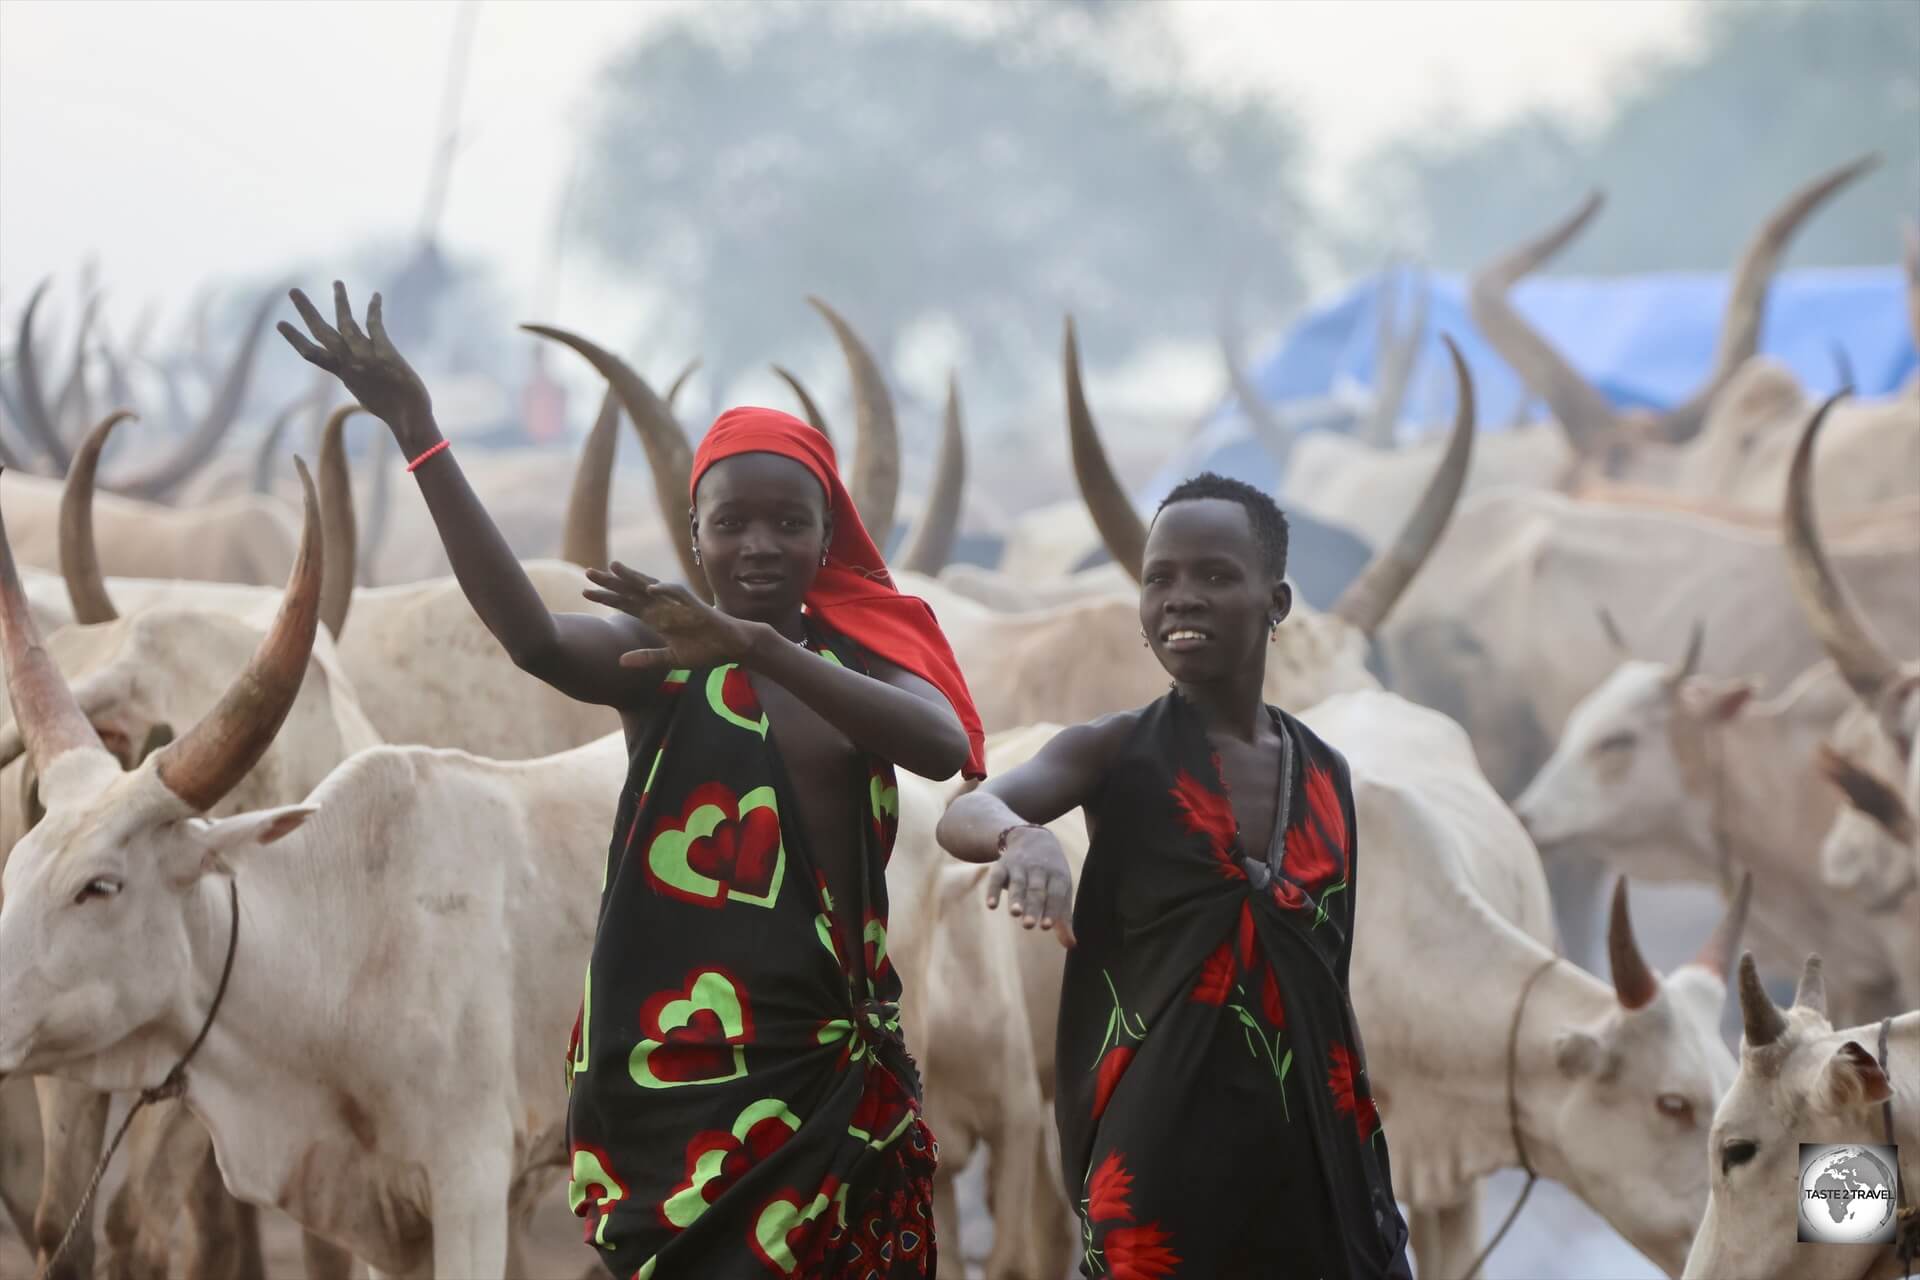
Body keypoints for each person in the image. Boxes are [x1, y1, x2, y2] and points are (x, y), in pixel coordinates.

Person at [278, 283, 986, 1278]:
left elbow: (939, 742)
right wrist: (419, 430)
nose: (758, 545)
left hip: (834, 1076)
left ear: (829, 539)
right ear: (694, 534)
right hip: (682, 1077)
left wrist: (756, 646)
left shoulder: (870, 664)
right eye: (731, 522)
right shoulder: (662, 659)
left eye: (789, 522)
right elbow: (528, 634)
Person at [937, 472, 1414, 1279]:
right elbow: (964, 814)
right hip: (1157, 1173)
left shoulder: (1328, 775)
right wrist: (1025, 840)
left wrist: (1367, 1175)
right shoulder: (1113, 751)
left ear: (1278, 602)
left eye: (1217, 577)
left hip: (1316, 1165)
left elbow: (1325, 980)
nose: (1181, 598)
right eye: (1160, 579)